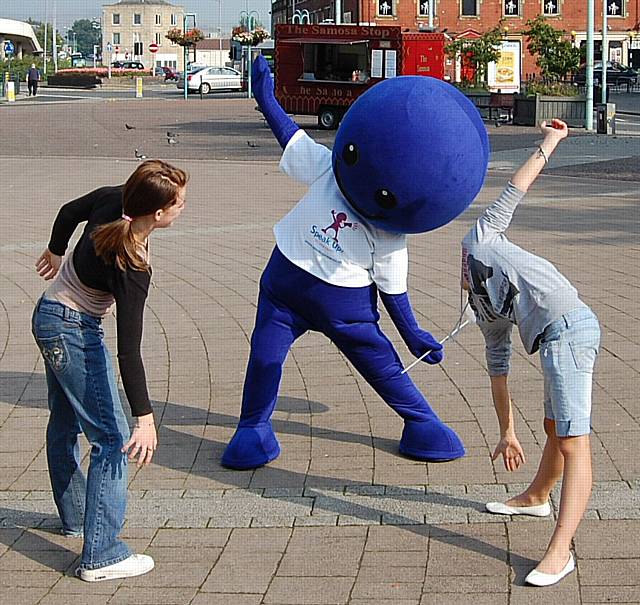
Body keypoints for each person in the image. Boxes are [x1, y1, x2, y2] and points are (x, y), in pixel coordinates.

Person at [221, 56, 489, 470]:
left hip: (320, 295)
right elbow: (292, 138)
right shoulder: (333, 174)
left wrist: (413, 333)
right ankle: (252, 427)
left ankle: (421, 423)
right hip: (292, 289)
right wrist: (266, 99)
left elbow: (392, 289)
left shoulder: (385, 230)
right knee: (270, 355)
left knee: (370, 363)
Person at [32, 160, 188, 582]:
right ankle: (102, 554)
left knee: (65, 423)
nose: (183, 209)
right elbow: (129, 350)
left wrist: (55, 248)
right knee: (112, 438)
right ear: (157, 213)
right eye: (179, 203)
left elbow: (68, 210)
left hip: (47, 316)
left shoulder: (113, 200)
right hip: (72, 331)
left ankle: (77, 517)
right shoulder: (132, 263)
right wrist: (145, 417)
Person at [461, 119, 600, 587]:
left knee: (572, 440)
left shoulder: (481, 241)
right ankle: (538, 495)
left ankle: (561, 551)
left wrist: (551, 141)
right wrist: (506, 434)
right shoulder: (484, 311)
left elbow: (516, 187)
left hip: (571, 331)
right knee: (553, 428)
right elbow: (498, 375)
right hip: (553, 341)